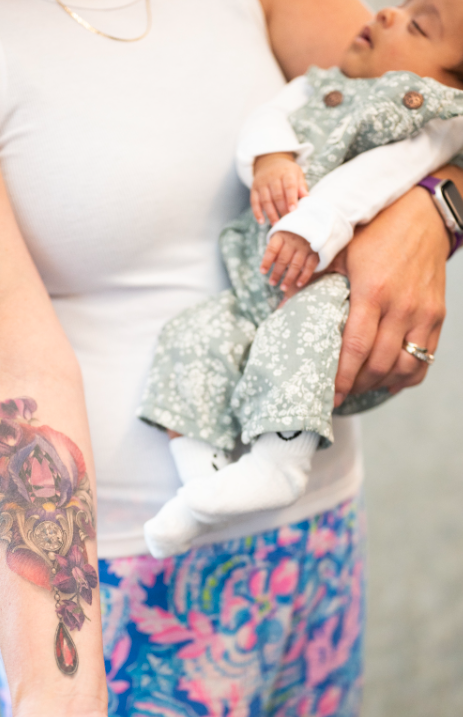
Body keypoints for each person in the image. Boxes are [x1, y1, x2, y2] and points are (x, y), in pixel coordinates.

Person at [0, 0, 460, 717]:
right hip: (126, 584)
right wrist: (60, 705)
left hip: (315, 524)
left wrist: (435, 204)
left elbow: (429, 82)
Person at [139, 1, 463, 558]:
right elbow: (269, 114)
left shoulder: (431, 122)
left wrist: (315, 226)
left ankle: (278, 462)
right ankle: (202, 480)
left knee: (304, 335)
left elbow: (376, 177)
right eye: (400, 6)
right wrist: (270, 157)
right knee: (194, 335)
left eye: (416, 25)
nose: (385, 14)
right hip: (252, 279)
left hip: (325, 278)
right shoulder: (322, 83)